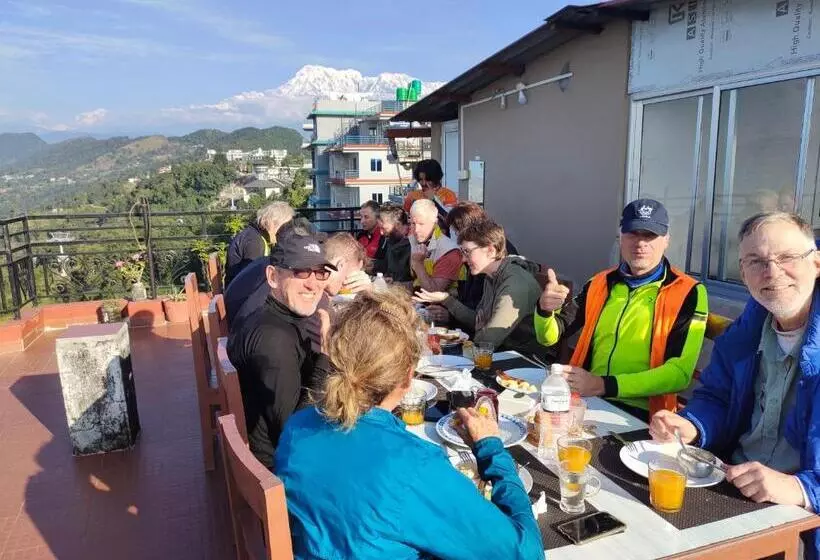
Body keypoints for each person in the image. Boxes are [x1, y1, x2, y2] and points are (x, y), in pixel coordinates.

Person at [274, 289, 543, 559]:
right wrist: (492, 448)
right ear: (407, 378)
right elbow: (526, 553)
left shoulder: (298, 426)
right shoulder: (414, 467)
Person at [649, 212, 820, 559]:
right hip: (731, 488)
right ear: (743, 274)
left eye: (787, 257)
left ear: (816, 262)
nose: (771, 271)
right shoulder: (747, 333)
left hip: (803, 523)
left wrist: (802, 488)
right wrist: (693, 424)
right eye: (755, 261)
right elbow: (717, 396)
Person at [535, 199, 709, 420]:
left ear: (666, 240)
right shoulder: (599, 282)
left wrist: (604, 385)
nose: (640, 243)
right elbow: (548, 338)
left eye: (650, 235)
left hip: (643, 414)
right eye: (633, 233)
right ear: (620, 237)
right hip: (584, 400)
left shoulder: (690, 292)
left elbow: (680, 375)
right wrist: (545, 310)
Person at [226, 229, 334, 468]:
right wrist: (326, 357)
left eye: (320, 273)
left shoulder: (279, 317)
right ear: (273, 277)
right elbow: (295, 433)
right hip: (284, 466)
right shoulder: (273, 341)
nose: (312, 284)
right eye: (300, 272)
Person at [414, 220, 544, 357]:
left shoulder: (514, 284)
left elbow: (487, 342)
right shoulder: (492, 276)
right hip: (500, 352)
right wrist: (446, 299)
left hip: (520, 359)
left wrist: (481, 330)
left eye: (467, 252)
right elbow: (477, 320)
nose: (463, 259)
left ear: (490, 250)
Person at [225, 202, 295, 286]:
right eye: (284, 227)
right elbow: (253, 278)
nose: (285, 232)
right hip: (242, 294)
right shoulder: (255, 242)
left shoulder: (253, 234)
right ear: (273, 223)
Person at [409, 199, 465, 293]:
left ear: (435, 222)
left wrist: (418, 263)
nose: (416, 230)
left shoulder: (449, 250)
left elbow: (434, 292)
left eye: (421, 224)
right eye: (413, 223)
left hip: (448, 305)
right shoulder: (412, 241)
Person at [373, 204, 412, 283]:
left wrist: (393, 282)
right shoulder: (392, 239)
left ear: (397, 225)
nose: (381, 233)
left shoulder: (413, 245)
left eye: (384, 228)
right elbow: (387, 265)